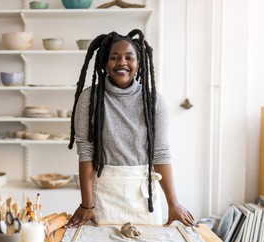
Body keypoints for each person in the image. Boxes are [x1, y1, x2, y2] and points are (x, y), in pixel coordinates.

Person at [66, 29, 197, 228]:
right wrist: (87, 204)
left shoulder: (154, 102)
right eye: (114, 57)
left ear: (139, 64)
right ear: (104, 62)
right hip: (103, 197)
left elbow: (160, 152)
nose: (122, 62)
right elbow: (86, 151)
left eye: (129, 57)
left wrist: (173, 203)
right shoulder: (89, 99)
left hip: (144, 199)